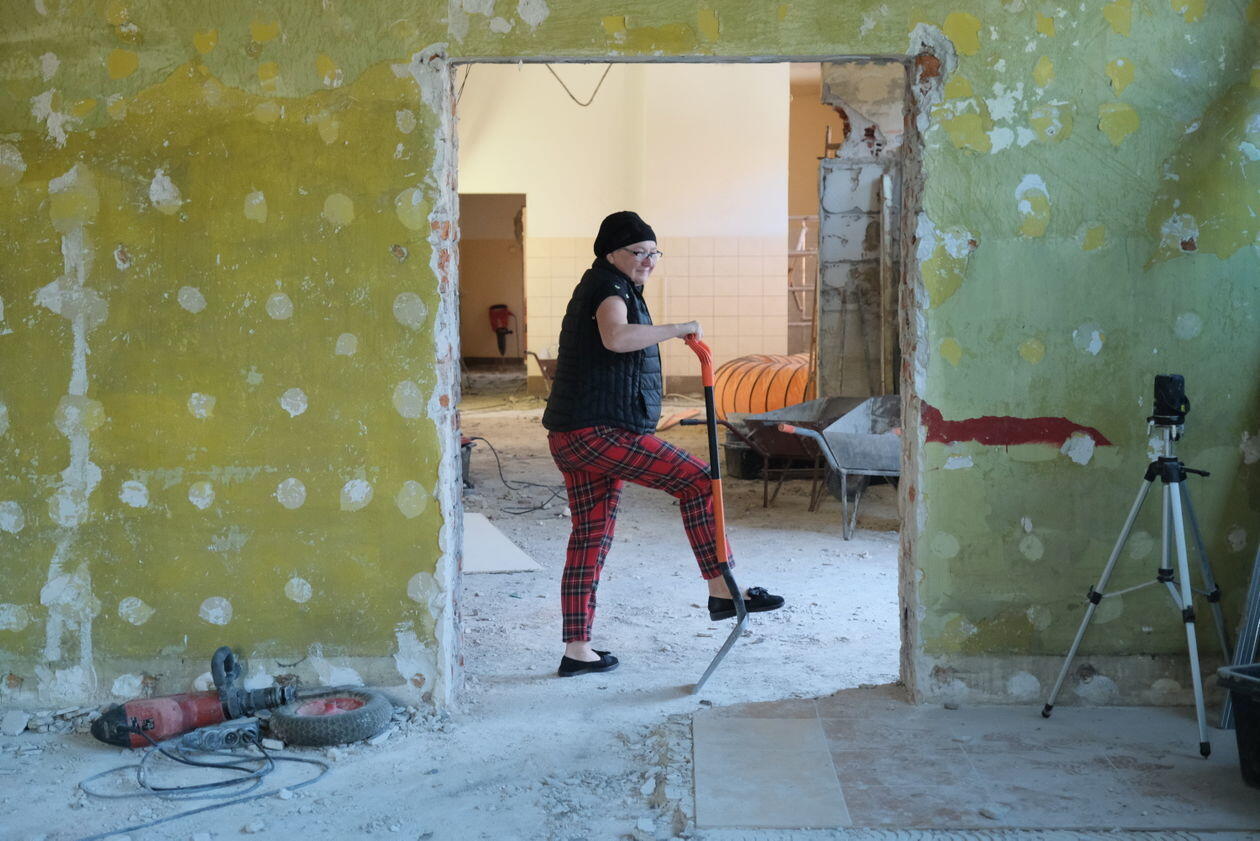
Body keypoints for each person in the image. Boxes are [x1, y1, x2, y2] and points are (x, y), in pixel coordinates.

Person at [542, 210, 785, 678]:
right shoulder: (608, 287)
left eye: (655, 253)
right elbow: (616, 337)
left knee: (590, 537)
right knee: (698, 481)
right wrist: (678, 329)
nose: (649, 261)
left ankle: (577, 650)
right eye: (639, 252)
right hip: (598, 433)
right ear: (611, 253)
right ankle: (722, 590)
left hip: (575, 433)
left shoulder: (611, 285)